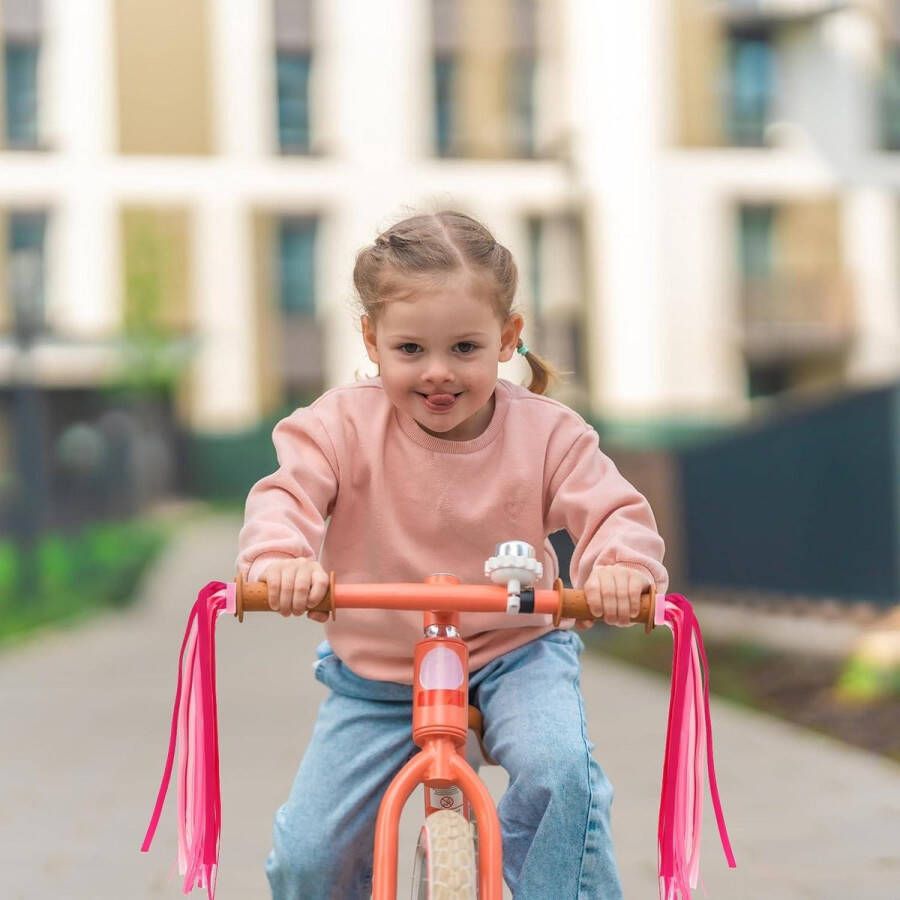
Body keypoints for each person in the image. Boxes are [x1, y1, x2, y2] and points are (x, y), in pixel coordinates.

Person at [237, 210, 668, 899]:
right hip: (376, 674)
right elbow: (284, 498)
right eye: (410, 350)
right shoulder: (338, 426)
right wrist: (280, 559)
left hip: (514, 653)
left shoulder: (549, 432)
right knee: (310, 855)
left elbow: (613, 510)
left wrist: (618, 568)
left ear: (507, 339)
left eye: (465, 348)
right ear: (372, 342)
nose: (438, 374)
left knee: (560, 774)